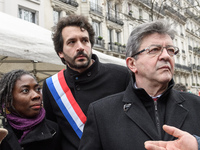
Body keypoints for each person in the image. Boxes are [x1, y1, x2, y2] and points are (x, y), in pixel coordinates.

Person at [79, 20, 200, 150]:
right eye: (155, 49)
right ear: (132, 64)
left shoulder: (196, 105)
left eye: (170, 50)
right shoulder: (101, 113)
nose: (166, 56)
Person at [42, 14, 130, 150]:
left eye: (84, 41)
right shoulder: (51, 85)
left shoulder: (121, 75)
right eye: (71, 42)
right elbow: (54, 132)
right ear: (60, 52)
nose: (80, 47)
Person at [0, 69, 61, 150]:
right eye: (25, 90)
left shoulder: (54, 130)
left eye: (37, 89)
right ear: (7, 100)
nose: (36, 95)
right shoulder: (2, 130)